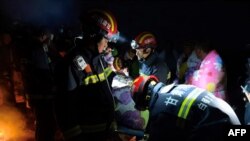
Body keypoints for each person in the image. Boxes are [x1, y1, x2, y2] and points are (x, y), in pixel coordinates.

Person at [54, 9, 121, 141]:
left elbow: (103, 88)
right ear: (93, 35)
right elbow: (63, 106)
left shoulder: (98, 59)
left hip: (105, 133)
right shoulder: (71, 63)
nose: (108, 43)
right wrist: (74, 136)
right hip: (87, 136)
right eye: (106, 39)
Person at [131, 75, 241, 141]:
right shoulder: (174, 87)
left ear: (142, 100)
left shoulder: (159, 111)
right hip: (232, 123)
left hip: (218, 130)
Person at [23, 27, 58, 141]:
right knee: (46, 124)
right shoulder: (38, 49)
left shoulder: (28, 47)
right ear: (44, 36)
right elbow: (44, 72)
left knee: (41, 123)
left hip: (35, 93)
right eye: (49, 38)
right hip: (43, 95)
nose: (50, 41)